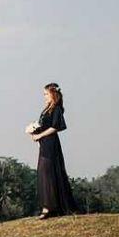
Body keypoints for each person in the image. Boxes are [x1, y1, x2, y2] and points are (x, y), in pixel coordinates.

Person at [30, 83, 82, 219]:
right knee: (43, 173)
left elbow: (56, 127)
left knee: (48, 172)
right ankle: (48, 206)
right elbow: (44, 125)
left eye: (46, 94)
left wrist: (40, 135)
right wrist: (33, 132)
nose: (44, 97)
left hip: (51, 143)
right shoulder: (47, 109)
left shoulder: (57, 109)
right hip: (44, 143)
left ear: (53, 94)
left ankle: (49, 208)